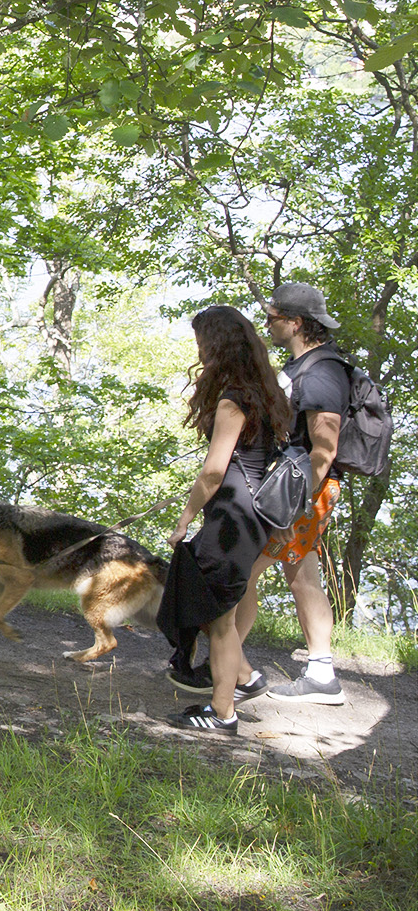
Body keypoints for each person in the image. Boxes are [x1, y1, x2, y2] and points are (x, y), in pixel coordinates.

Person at [159, 304, 292, 735]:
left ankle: (222, 715)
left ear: (216, 344)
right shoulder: (265, 394)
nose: (199, 351)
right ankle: (228, 700)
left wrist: (184, 519)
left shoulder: (234, 399)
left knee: (220, 619)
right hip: (255, 519)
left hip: (232, 519)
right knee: (224, 615)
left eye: (202, 342)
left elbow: (214, 471)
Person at [231, 283, 348, 704]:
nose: (267, 324)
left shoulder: (322, 373)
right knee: (302, 576)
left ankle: (227, 667)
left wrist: (290, 511)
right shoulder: (304, 366)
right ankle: (322, 673)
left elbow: (325, 448)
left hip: (302, 491)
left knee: (242, 571)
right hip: (298, 489)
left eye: (273, 317)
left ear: (295, 322)